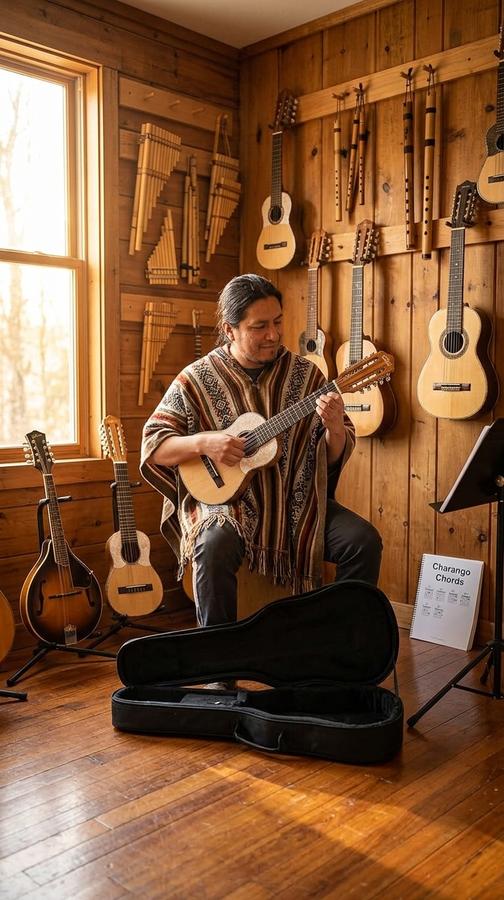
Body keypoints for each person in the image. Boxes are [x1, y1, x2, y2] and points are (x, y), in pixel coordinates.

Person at [140, 273, 382, 628]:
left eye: (278, 321)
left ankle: (338, 644)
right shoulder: (195, 379)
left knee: (363, 541)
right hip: (226, 504)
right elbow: (155, 445)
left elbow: (331, 456)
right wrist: (205, 442)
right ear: (230, 329)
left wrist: (334, 428)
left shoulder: (308, 377)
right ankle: (218, 668)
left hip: (296, 504)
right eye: (259, 326)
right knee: (213, 542)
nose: (273, 334)